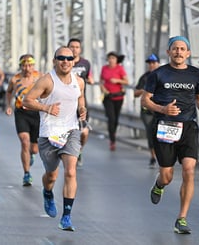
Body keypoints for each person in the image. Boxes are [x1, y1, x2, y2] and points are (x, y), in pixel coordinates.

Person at [141, 36, 199, 234]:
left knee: (189, 169)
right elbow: (145, 101)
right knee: (167, 176)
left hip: (188, 126)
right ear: (169, 52)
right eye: (175, 49)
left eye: (182, 49)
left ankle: (181, 218)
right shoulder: (158, 74)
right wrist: (163, 109)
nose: (179, 52)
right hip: (165, 127)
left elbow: (198, 98)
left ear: (188, 53)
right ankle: (158, 185)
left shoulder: (195, 74)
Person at [23, 46, 86, 231]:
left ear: (74, 61)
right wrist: (47, 108)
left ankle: (66, 216)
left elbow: (80, 98)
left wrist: (82, 109)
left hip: (71, 131)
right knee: (51, 175)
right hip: (49, 134)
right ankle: (48, 192)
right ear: (54, 60)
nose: (65, 61)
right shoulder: (47, 81)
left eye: (69, 58)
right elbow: (27, 100)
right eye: (61, 58)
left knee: (71, 172)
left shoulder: (79, 82)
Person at [5, 54, 42, 186]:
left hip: (36, 113)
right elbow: (9, 92)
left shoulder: (40, 77)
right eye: (25, 65)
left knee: (35, 149)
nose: (27, 68)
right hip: (21, 113)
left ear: (34, 66)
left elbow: (48, 91)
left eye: (30, 65)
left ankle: (31, 154)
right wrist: (8, 105)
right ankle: (26, 174)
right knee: (24, 142)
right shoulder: (15, 79)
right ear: (21, 66)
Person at [68, 38, 94, 167]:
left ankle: (79, 150)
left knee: (84, 132)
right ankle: (69, 154)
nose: (74, 49)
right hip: (66, 104)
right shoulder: (64, 62)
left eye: (77, 47)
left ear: (80, 49)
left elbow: (90, 76)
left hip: (80, 102)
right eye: (72, 46)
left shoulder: (85, 63)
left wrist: (90, 80)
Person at [134, 53, 161, 167]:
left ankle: (164, 157)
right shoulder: (144, 77)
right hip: (147, 111)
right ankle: (152, 157)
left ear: (158, 63)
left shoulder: (164, 76)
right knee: (151, 132)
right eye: (149, 63)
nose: (151, 65)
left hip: (161, 110)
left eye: (154, 63)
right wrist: (145, 90)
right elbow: (135, 93)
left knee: (160, 134)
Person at [99, 51, 129, 151]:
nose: (111, 60)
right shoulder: (104, 68)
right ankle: (112, 140)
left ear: (116, 60)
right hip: (108, 97)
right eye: (109, 58)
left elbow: (126, 81)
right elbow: (101, 81)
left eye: (113, 58)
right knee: (111, 118)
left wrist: (117, 81)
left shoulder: (120, 69)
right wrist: (103, 89)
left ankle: (113, 132)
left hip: (118, 97)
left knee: (115, 119)